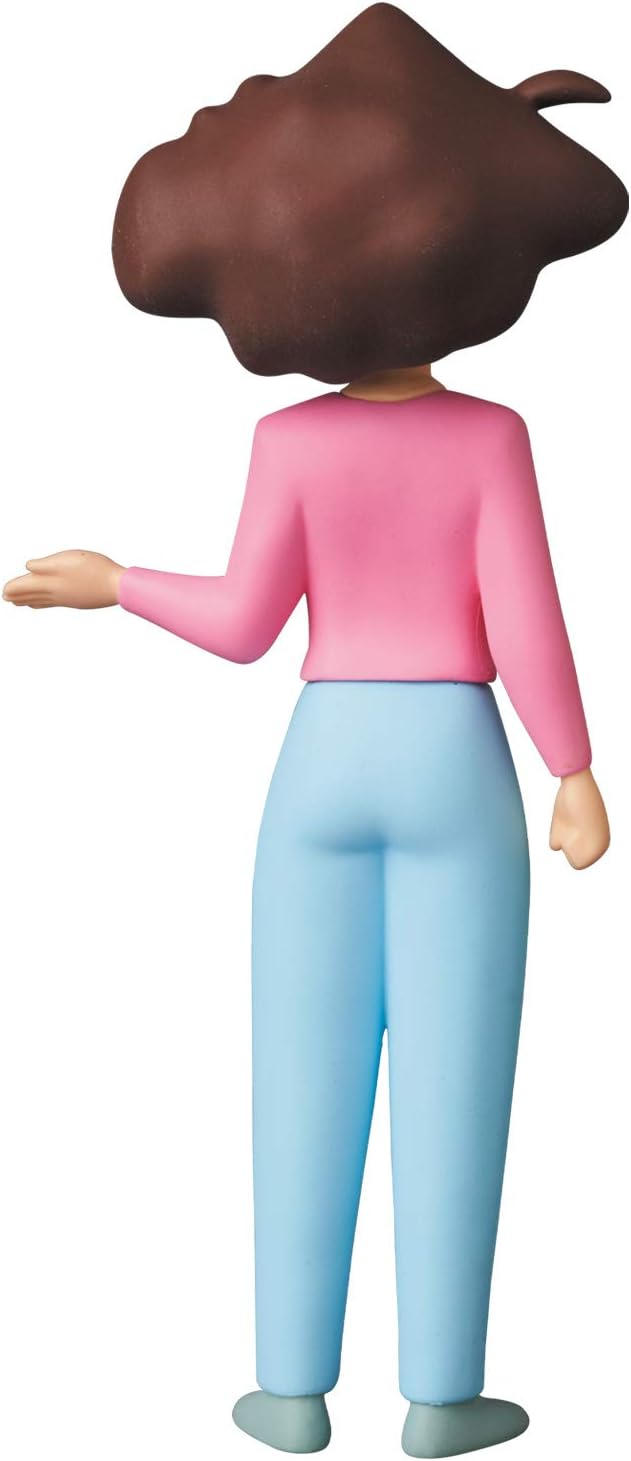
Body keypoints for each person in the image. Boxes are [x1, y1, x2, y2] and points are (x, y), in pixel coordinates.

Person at [3, 6, 625, 1456]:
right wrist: (576, 770)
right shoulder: (492, 439)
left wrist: (117, 582)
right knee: (456, 1084)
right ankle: (441, 1397)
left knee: (302, 1075)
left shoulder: (287, 443)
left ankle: (289, 1390)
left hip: (320, 760)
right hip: (456, 761)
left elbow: (240, 623)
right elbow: (527, 622)